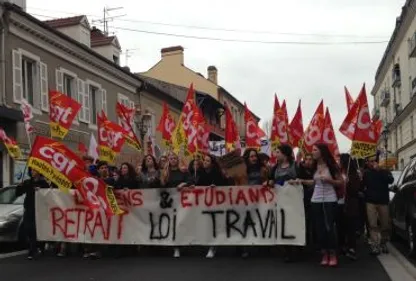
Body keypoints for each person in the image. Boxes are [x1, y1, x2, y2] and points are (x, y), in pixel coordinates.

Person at [297, 144, 344, 267]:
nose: (312, 152)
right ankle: (324, 253)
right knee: (320, 228)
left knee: (329, 227)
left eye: (314, 150)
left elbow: (341, 182)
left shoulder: (332, 166)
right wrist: (301, 181)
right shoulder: (314, 166)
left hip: (329, 199)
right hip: (315, 200)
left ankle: (333, 253)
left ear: (322, 152)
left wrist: (330, 181)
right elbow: (314, 181)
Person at [189, 154, 227, 258]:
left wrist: (216, 186)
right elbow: (199, 185)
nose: (205, 162)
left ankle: (213, 246)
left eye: (208, 161)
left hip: (216, 203)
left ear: (212, 163)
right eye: (204, 160)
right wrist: (194, 186)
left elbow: (223, 185)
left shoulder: (217, 173)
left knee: (214, 224)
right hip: (204, 203)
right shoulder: (200, 172)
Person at [268, 144, 298, 262]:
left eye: (278, 152)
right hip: (280, 201)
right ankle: (287, 250)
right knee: (282, 224)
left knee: (291, 225)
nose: (276, 154)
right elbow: (271, 180)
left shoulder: (294, 166)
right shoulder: (275, 168)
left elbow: (299, 180)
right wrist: (270, 182)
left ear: (285, 155)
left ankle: (294, 249)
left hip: (292, 201)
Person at [362, 154, 394, 255]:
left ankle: (383, 243)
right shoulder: (366, 173)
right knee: (372, 224)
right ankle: (375, 245)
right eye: (370, 161)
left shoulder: (385, 171)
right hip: (371, 201)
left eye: (373, 161)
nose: (372, 163)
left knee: (385, 224)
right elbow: (363, 185)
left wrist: (380, 170)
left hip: (383, 201)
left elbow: (390, 180)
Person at [16, 169, 50, 260]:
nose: (32, 172)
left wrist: (41, 191)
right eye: (31, 171)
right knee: (28, 228)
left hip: (39, 209)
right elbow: (18, 193)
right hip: (29, 208)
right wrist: (19, 187)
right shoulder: (27, 182)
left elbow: (48, 195)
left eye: (35, 170)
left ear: (39, 172)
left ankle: (35, 248)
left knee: (37, 229)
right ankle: (34, 247)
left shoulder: (43, 183)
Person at [241, 148, 268, 258]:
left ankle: (261, 246)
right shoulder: (242, 170)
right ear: (247, 158)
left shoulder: (263, 169)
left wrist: (267, 181)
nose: (254, 158)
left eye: (255, 156)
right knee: (246, 222)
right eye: (251, 156)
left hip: (260, 200)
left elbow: (267, 179)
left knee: (259, 221)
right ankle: (245, 247)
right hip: (245, 200)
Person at [160, 152, 189, 258]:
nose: (173, 160)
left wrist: (183, 184)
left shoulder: (183, 171)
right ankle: (176, 248)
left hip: (183, 203)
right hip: (170, 203)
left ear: (178, 160)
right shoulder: (166, 172)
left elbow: (190, 181)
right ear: (169, 160)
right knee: (173, 225)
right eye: (171, 158)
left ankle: (182, 245)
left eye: (174, 158)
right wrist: (162, 177)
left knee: (181, 223)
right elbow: (162, 186)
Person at [339, 153, 361, 261]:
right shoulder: (338, 173)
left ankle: (351, 248)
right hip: (339, 203)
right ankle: (342, 246)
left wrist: (349, 183)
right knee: (341, 226)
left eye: (340, 160)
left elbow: (355, 191)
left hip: (350, 204)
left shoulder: (353, 174)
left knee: (350, 227)